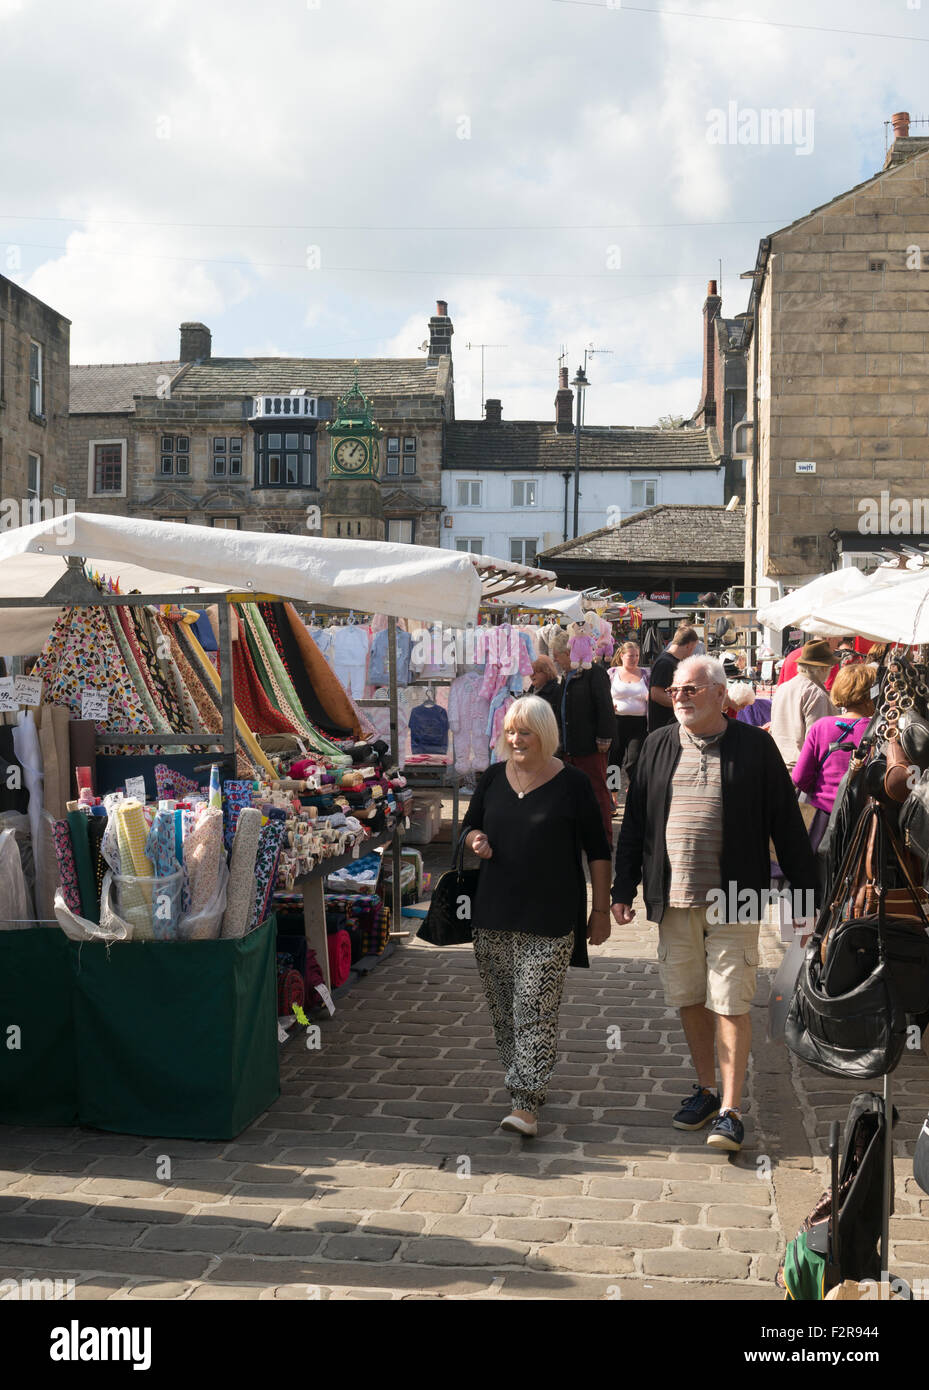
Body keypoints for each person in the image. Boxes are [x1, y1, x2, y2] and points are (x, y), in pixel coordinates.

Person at [611, 655, 816, 1153]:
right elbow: (635, 822)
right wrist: (622, 888)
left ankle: (730, 1108)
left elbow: (786, 825)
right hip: (673, 897)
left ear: (721, 696)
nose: (680, 696)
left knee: (730, 1001)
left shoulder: (755, 747)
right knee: (688, 998)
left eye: (692, 690)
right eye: (677, 689)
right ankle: (705, 1087)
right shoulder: (658, 745)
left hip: (737, 895)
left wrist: (805, 897)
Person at [462, 696, 613, 1137]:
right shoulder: (492, 778)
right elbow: (469, 825)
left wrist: (600, 910)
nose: (515, 739)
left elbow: (599, 851)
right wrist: (474, 840)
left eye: (524, 731)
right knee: (504, 1010)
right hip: (492, 913)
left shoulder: (574, 785)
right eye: (510, 731)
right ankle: (520, 1081)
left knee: (534, 1008)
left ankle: (527, 1101)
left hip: (551, 918)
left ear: (545, 734)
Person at [792, 663, 876, 849]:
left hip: (821, 820)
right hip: (866, 824)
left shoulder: (821, 726)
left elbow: (799, 777)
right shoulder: (879, 730)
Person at [550, 630, 615, 840]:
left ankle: (603, 837)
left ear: (569, 653)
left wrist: (604, 737)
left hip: (590, 746)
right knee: (572, 793)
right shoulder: (566, 676)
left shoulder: (593, 673)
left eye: (557, 654)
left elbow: (604, 706)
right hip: (570, 746)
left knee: (597, 792)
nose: (555, 659)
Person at [769, 640, 837, 771]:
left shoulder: (783, 688)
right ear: (822, 668)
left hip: (779, 765)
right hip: (801, 770)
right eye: (830, 667)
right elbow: (817, 742)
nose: (831, 670)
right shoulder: (816, 694)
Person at [608, 642, 649, 799]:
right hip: (616, 722)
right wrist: (608, 704)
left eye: (637, 656)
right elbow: (603, 694)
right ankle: (612, 797)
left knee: (634, 759)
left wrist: (649, 698)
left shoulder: (645, 674)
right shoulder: (612, 673)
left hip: (639, 723)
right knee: (614, 760)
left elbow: (653, 693)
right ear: (622, 656)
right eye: (631, 655)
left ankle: (633, 792)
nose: (634, 659)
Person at [647, 626, 700, 733]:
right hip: (663, 726)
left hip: (670, 725)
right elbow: (656, 694)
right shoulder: (665, 663)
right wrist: (682, 703)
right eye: (693, 648)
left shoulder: (673, 661)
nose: (692, 652)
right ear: (688, 646)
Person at [776, 632, 845, 694]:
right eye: (838, 643)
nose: (837, 647)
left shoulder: (791, 655)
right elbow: (830, 694)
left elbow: (779, 689)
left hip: (788, 704)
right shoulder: (828, 662)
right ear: (829, 638)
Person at [527, 656, 562, 733]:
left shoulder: (557, 691)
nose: (532, 675)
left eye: (536, 671)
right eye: (531, 671)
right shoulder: (530, 692)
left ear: (547, 672)